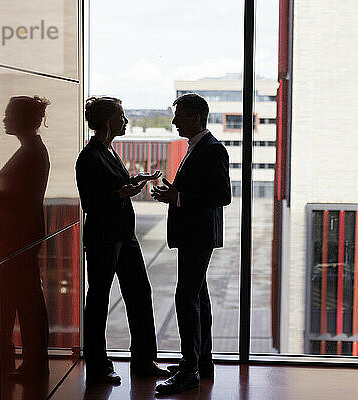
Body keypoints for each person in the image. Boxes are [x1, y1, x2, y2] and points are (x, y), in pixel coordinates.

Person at [75, 96, 169, 384]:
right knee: (100, 300)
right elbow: (90, 203)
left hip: (124, 237)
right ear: (106, 121)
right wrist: (121, 193)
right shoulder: (89, 156)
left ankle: (143, 360)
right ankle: (99, 366)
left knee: (140, 294)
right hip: (104, 238)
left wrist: (134, 180)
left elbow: (112, 186)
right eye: (121, 116)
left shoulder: (109, 151)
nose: (125, 121)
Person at [151, 93, 231, 395]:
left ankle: (189, 371)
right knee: (198, 298)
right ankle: (200, 362)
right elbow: (202, 190)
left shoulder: (211, 150)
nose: (174, 121)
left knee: (186, 299)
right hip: (194, 234)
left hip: (197, 235)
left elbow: (222, 195)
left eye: (179, 115)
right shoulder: (198, 148)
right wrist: (174, 193)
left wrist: (179, 198)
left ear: (196, 117)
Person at [0, 96, 51, 382]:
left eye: (8, 114)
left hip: (19, 238)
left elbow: (17, 197)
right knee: (25, 300)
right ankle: (32, 363)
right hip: (22, 236)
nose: (4, 119)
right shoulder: (31, 149)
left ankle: (33, 365)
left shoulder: (30, 152)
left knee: (27, 302)